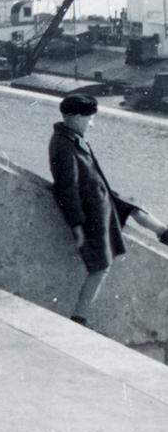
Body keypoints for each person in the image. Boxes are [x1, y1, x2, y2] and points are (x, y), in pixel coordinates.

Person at [49, 93, 168, 323]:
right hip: (91, 212)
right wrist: (77, 226)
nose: (91, 123)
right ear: (74, 117)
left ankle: (163, 232)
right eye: (89, 118)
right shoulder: (64, 147)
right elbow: (67, 190)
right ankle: (79, 317)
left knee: (133, 206)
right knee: (100, 266)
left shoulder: (69, 137)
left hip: (100, 199)